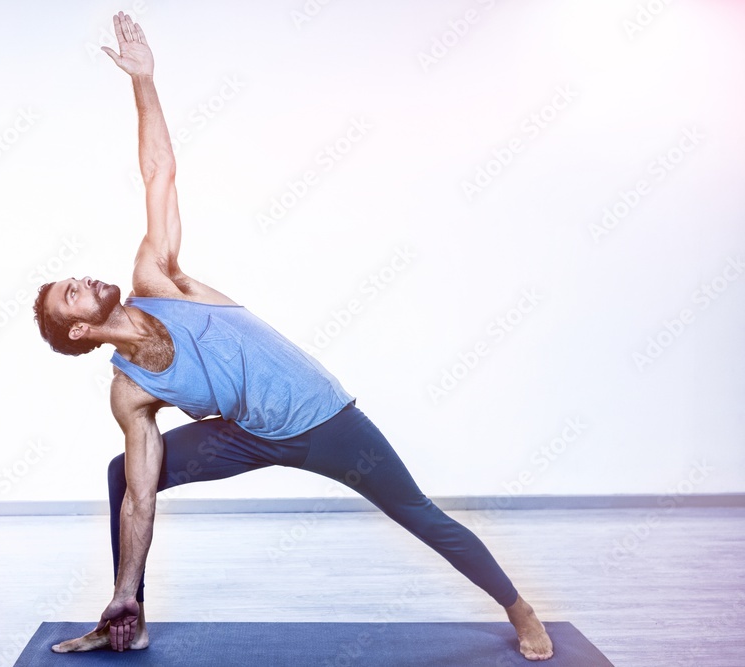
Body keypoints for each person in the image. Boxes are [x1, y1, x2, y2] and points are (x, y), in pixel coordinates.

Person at [33, 11, 554, 661]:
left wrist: (144, 82)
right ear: (80, 329)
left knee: (417, 512)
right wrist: (123, 584)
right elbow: (140, 496)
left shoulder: (158, 278)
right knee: (124, 474)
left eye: (75, 277)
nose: (82, 278)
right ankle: (127, 611)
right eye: (70, 292)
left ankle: (520, 608)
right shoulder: (129, 392)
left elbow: (160, 173)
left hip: (325, 418)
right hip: (245, 438)